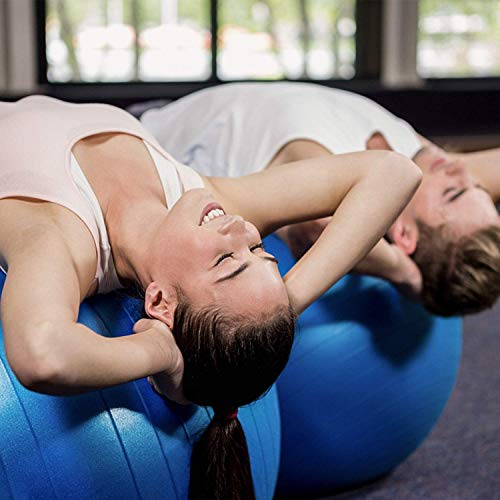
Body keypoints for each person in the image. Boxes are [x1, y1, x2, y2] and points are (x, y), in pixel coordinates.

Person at [0, 95, 420, 500]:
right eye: (262, 253)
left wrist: (159, 352)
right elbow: (394, 172)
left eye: (228, 260)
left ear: (161, 302)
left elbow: (42, 356)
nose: (245, 230)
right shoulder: (209, 199)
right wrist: (285, 304)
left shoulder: (60, 236)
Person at [141, 82, 500, 317]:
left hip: (137, 136)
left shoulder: (330, 174)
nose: (461, 171)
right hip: (181, 107)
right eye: (480, 190)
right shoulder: (429, 163)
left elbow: (316, 227)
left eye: (455, 193)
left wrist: (403, 274)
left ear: (404, 236)